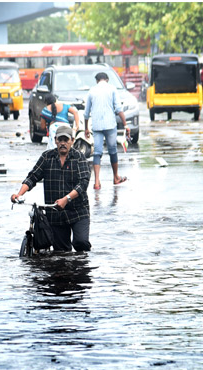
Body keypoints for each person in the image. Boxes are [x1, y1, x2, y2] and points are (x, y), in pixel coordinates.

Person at [10, 122, 92, 252]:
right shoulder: (47, 157)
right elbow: (32, 177)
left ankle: (82, 270)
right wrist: (19, 195)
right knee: (61, 252)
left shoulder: (79, 158)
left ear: (72, 141)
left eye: (66, 140)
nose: (63, 143)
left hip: (78, 211)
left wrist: (66, 199)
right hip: (55, 214)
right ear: (55, 140)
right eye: (60, 140)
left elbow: (83, 184)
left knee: (80, 243)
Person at [83, 71, 128, 189]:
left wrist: (86, 128)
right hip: (110, 125)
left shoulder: (92, 91)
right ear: (107, 79)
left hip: (97, 125)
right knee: (112, 150)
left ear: (97, 80)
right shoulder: (112, 89)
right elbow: (118, 109)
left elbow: (86, 113)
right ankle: (116, 177)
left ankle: (97, 182)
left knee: (97, 152)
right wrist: (125, 124)